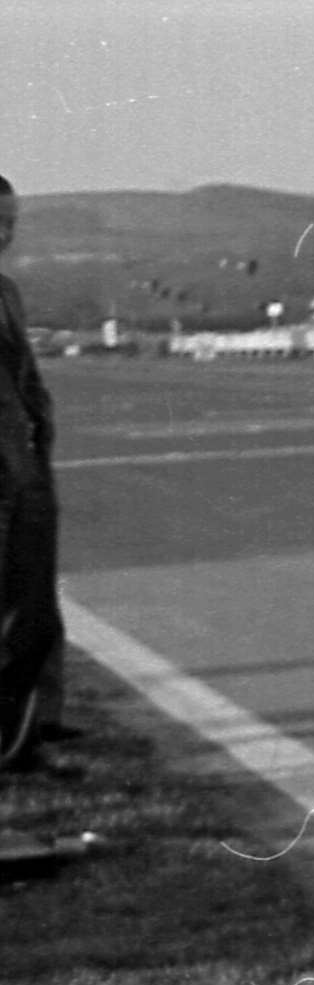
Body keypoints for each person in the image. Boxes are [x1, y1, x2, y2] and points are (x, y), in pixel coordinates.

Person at [0, 173, 65, 771]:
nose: (5, 234)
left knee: (34, 611)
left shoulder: (8, 291)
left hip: (25, 465)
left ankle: (27, 734)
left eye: (12, 222)